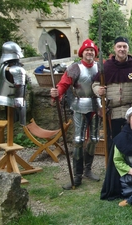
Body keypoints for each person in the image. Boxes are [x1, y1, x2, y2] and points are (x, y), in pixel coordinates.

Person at [50, 39, 101, 190]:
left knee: (94, 138)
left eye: (92, 50)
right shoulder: (75, 68)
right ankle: (77, 176)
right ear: (82, 53)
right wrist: (56, 92)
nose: (90, 52)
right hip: (79, 105)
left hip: (96, 105)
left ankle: (88, 170)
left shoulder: (100, 67)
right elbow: (64, 84)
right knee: (78, 140)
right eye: (87, 50)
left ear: (95, 53)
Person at [93, 36, 132, 143]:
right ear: (114, 49)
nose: (122, 49)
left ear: (128, 49)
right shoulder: (107, 67)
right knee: (113, 142)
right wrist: (98, 91)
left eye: (124, 46)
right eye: (119, 46)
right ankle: (114, 160)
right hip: (112, 113)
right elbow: (95, 84)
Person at [0, 41, 28, 125]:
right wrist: (20, 104)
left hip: (1, 97)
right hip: (13, 100)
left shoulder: (1, 67)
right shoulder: (17, 69)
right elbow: (19, 88)